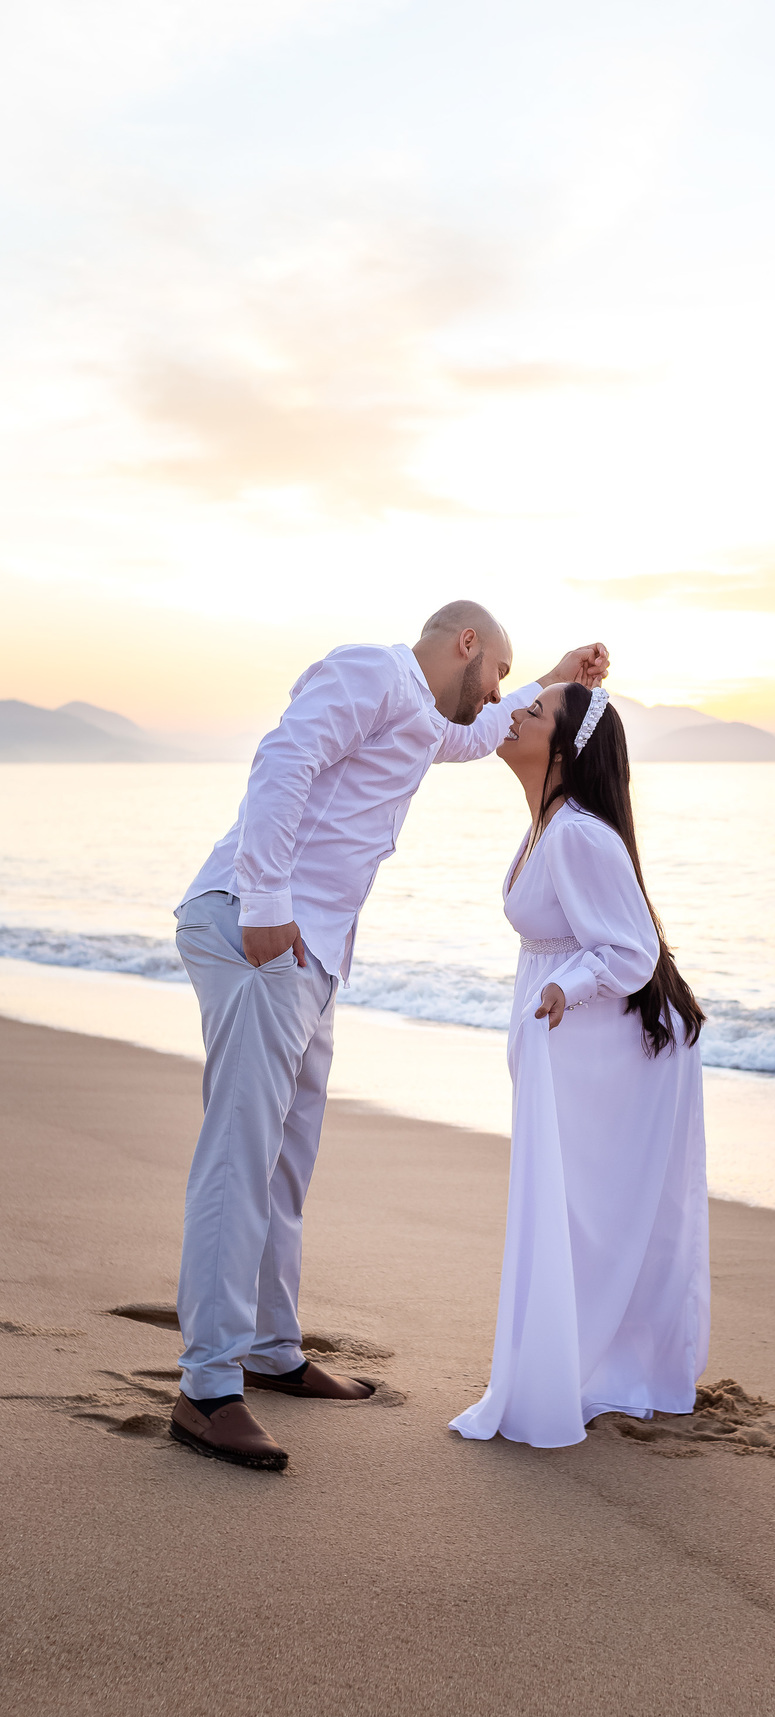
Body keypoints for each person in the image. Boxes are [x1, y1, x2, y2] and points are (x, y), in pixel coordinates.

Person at [169, 602, 609, 1472]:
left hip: (313, 955)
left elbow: (483, 731)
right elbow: (284, 760)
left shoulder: (426, 717)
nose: (496, 696)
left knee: (287, 1161)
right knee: (240, 1154)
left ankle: (269, 1349)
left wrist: (556, 677)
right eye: (498, 672)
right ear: (466, 644)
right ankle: (206, 1388)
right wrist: (264, 901)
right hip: (262, 930)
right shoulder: (372, 671)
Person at [450, 683, 709, 1449]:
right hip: (575, 1038)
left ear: (563, 749)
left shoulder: (576, 835)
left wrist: (568, 985)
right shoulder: (547, 826)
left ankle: (613, 1370)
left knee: (591, 1215)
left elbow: (632, 949)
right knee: (572, 1210)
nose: (512, 717)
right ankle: (585, 1363)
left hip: (611, 1046)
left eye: (530, 715)